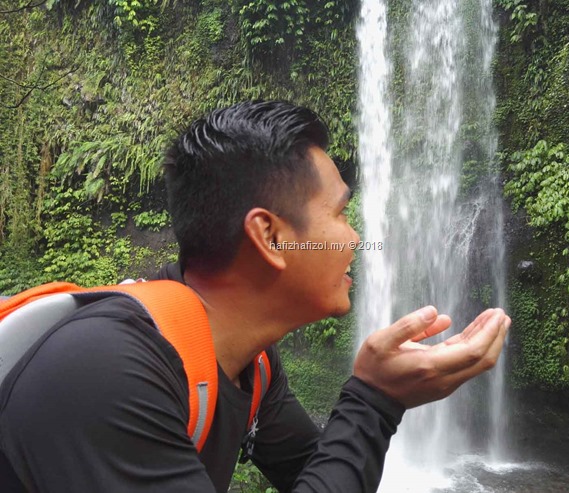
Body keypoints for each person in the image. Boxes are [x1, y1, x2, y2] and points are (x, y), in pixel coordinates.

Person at [0, 101, 510, 492]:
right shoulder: (107, 369)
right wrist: (375, 400)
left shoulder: (252, 364)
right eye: (339, 214)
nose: (356, 239)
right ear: (269, 236)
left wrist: (377, 399)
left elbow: (314, 474)